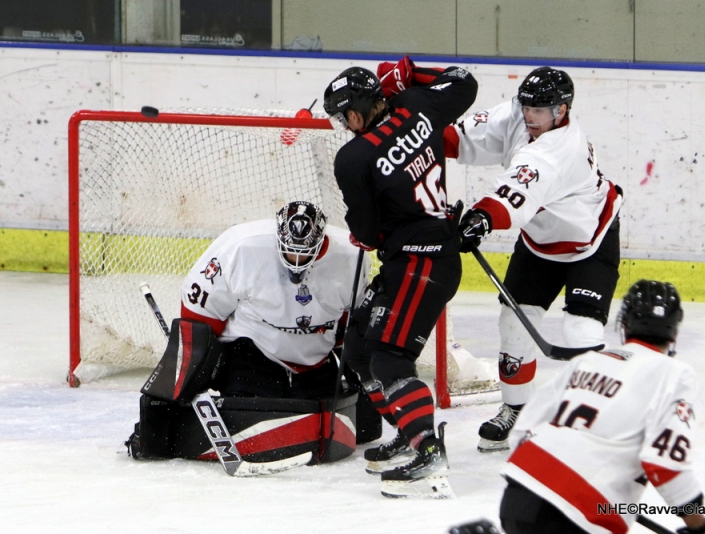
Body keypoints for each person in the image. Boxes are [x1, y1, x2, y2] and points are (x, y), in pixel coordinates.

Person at [322, 56, 478, 498]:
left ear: (355, 112)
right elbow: (464, 82)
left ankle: (428, 453)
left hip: (420, 263)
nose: (344, 125)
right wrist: (410, 75)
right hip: (421, 258)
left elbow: (365, 233)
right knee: (357, 349)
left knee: (389, 360)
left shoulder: (354, 156)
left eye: (343, 116)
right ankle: (407, 434)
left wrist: (366, 231)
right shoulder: (417, 105)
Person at [450, 66, 624, 452]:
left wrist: (481, 218)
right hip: (540, 242)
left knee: (581, 331)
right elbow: (461, 137)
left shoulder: (561, 149)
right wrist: (419, 138)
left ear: (562, 111)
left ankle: (593, 419)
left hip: (588, 243)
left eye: (540, 110)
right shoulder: (519, 114)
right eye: (526, 106)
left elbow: (512, 198)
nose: (530, 115)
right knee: (514, 325)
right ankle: (514, 410)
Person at [126, 200, 379, 463]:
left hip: (315, 360)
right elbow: (199, 316)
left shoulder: (352, 255)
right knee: (250, 409)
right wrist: (192, 376)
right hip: (252, 351)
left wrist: (355, 369)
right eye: (290, 252)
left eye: (304, 253)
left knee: (326, 415)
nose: (296, 260)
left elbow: (350, 324)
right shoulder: (241, 247)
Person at [498, 280, 705, 534]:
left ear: (625, 324)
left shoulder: (587, 361)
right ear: (674, 332)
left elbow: (523, 432)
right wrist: (703, 526)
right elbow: (665, 461)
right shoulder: (676, 375)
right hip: (579, 514)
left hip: (518, 494)